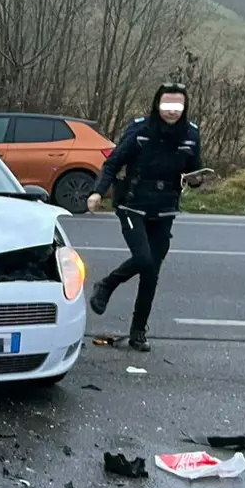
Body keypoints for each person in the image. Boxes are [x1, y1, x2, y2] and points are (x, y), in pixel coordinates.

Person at [85, 82, 207, 352]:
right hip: (133, 205)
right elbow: (113, 163)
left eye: (177, 106)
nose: (172, 111)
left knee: (151, 273)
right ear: (157, 104)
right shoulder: (140, 130)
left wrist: (196, 179)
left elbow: (193, 169)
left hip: (165, 208)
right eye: (167, 105)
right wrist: (97, 192)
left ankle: (138, 332)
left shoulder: (191, 134)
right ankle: (106, 284)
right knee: (143, 258)